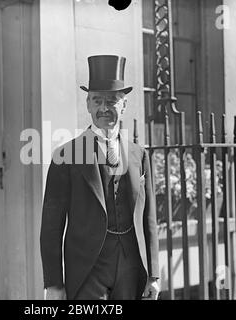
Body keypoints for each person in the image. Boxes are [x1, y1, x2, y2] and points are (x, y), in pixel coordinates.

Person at [40, 55, 160, 300]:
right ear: (87, 104)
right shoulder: (66, 155)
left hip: (130, 267)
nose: (104, 108)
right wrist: (53, 284)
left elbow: (149, 219)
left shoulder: (139, 154)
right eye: (97, 100)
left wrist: (154, 275)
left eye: (112, 101)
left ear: (124, 105)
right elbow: (51, 226)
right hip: (86, 270)